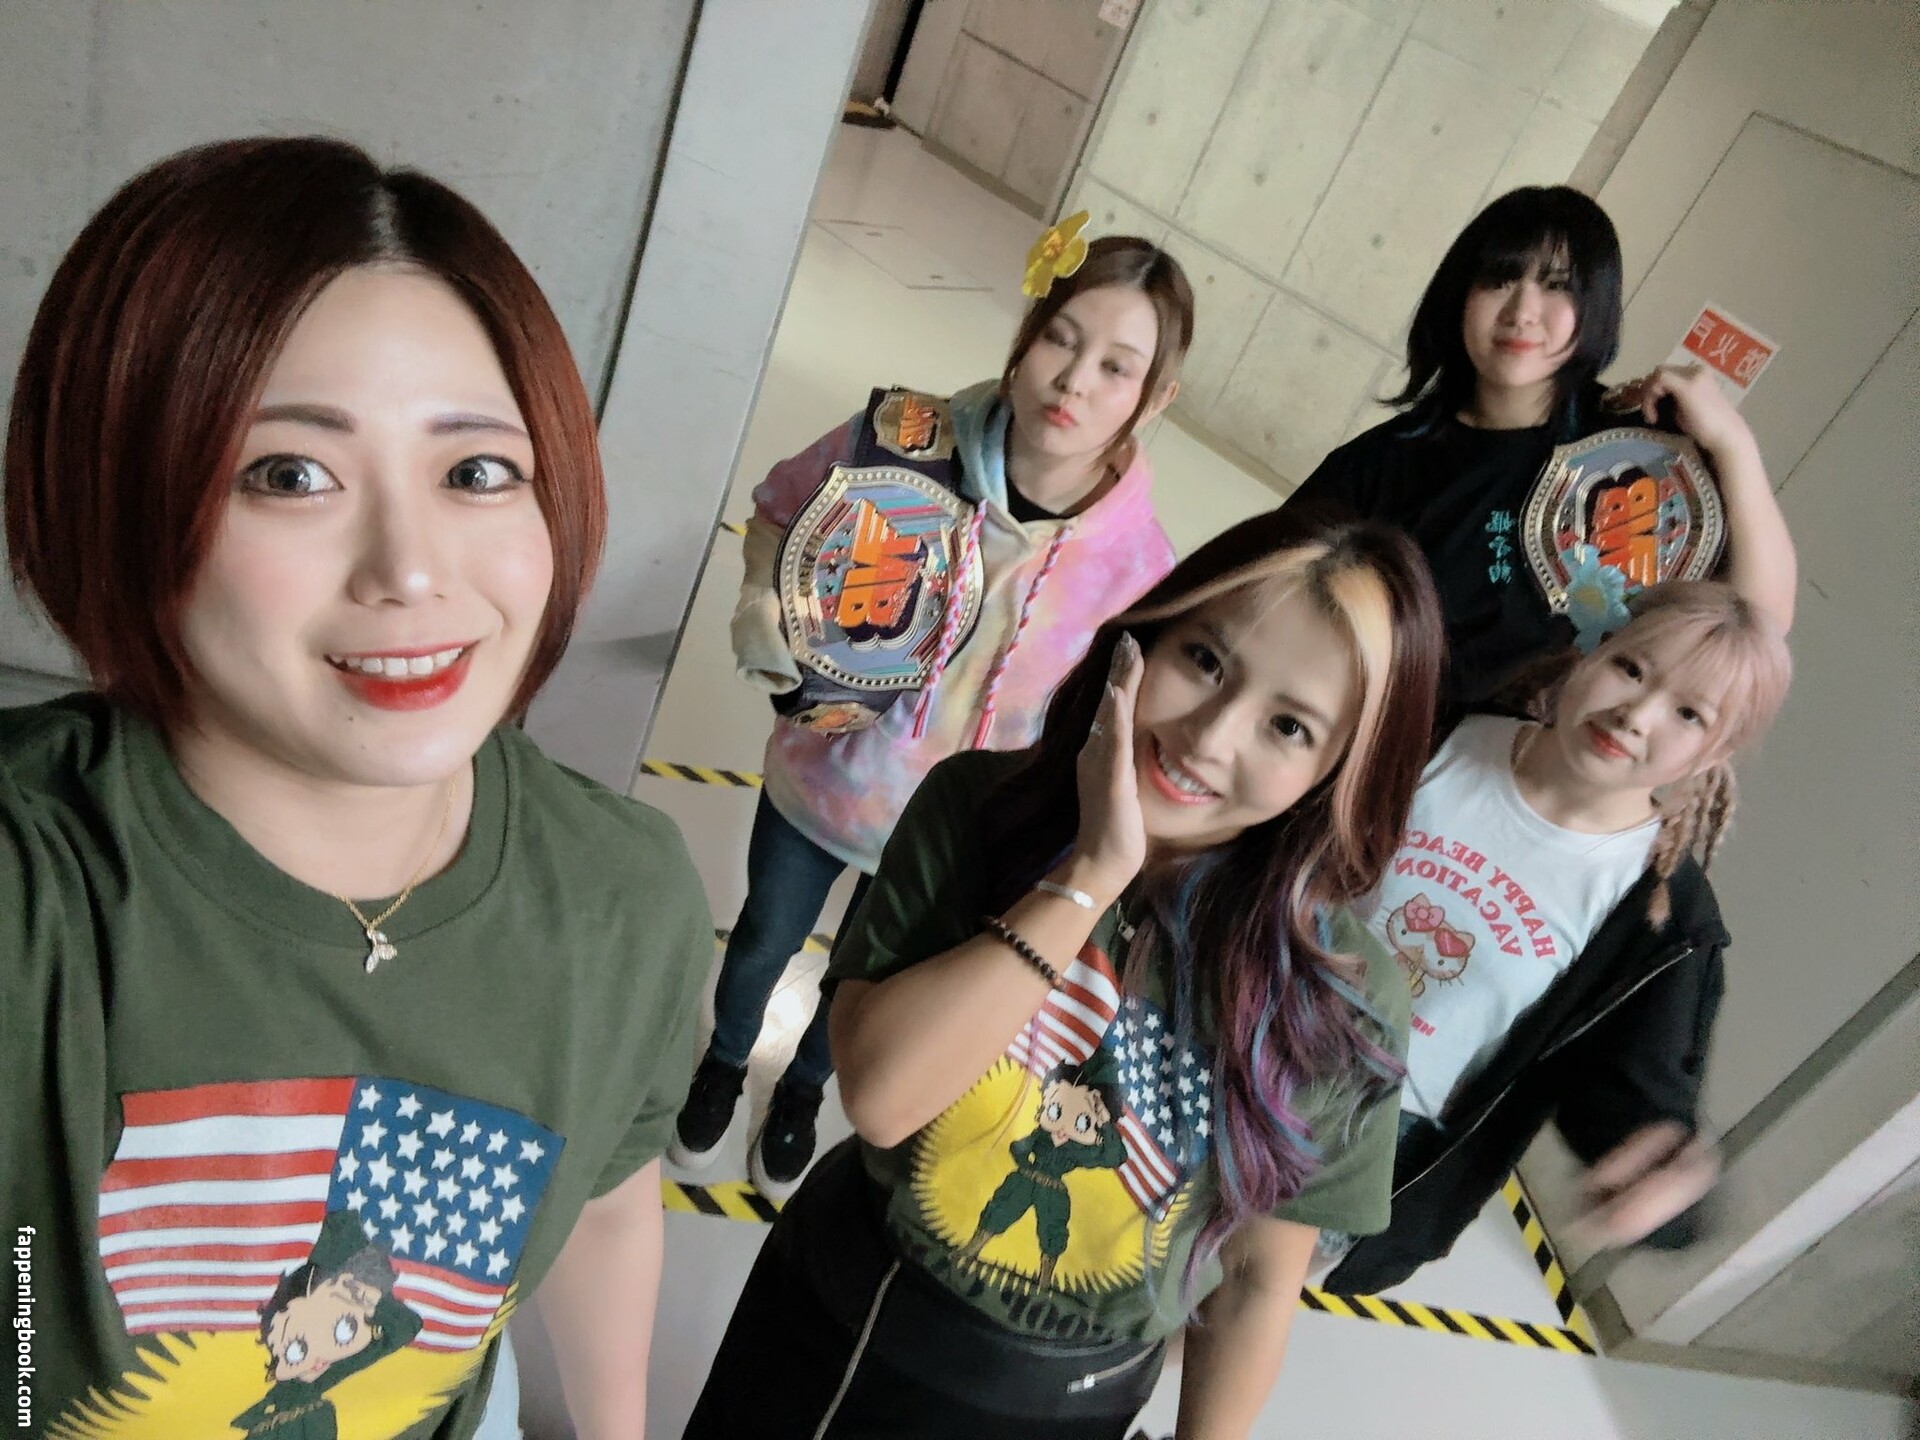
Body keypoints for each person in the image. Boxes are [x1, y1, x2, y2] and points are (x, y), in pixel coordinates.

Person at [0, 137, 710, 1439]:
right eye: (291, 475)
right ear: (121, 500)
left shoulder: (626, 897)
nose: (411, 569)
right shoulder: (36, 898)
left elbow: (608, 1199)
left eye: (475, 472)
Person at [685, 506, 1448, 1439]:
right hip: (850, 1312)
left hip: (1069, 1398)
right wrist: (1090, 876)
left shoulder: (1343, 995)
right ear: (1145, 637)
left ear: (1340, 772)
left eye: (1288, 726)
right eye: (1205, 660)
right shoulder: (980, 807)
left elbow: (1258, 1278)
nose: (1210, 739)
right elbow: (881, 1098)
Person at [671, 231, 1193, 1201]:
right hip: (824, 776)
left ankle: (804, 1088)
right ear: (1027, 331)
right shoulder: (901, 439)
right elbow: (780, 507)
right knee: (763, 939)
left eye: (1116, 367)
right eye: (1061, 338)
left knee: (863, 978)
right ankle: (725, 1061)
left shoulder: (1141, 570)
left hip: (951, 829)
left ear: (1155, 397)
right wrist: (763, 603)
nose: (1073, 381)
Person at [1321, 582, 1792, 1294]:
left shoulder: (1660, 914)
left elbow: (1636, 1104)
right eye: (1631, 668)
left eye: (1688, 713)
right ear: (1592, 650)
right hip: (1235, 1028)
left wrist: (1670, 1179)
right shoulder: (1438, 728)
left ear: (1713, 753)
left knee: (1205, 1308)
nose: (1636, 714)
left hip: (1366, 1141)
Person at [1286, 185, 1797, 708]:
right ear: (1459, 295)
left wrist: (1733, 444)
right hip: (1408, 741)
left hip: (1560, 751)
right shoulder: (1379, 464)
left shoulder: (1644, 452)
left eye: (1558, 286)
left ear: (1595, 305)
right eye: (1499, 279)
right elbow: (1273, 607)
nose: (1522, 311)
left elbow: (1761, 624)